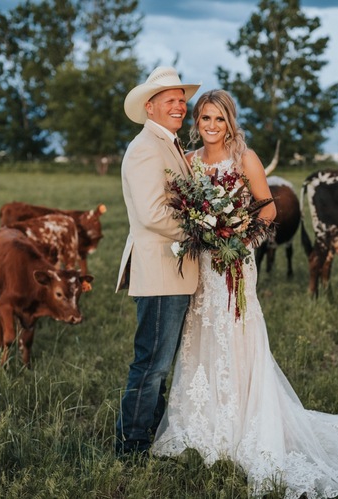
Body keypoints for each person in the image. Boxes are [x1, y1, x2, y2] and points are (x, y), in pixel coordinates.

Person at [151, 89, 338, 497]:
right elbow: (183, 209)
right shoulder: (189, 162)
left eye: (218, 120)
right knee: (201, 335)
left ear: (230, 123)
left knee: (235, 334)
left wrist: (238, 235)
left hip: (235, 262)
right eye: (205, 119)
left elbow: (267, 210)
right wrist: (203, 229)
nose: (211, 127)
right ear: (197, 123)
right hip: (203, 267)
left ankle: (245, 422)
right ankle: (201, 424)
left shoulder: (245, 158)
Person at [115, 66, 201, 456]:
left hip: (172, 271)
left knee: (158, 364)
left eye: (182, 100)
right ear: (150, 107)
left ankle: (149, 434)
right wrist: (202, 233)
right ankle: (130, 446)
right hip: (161, 271)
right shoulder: (146, 147)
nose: (180, 106)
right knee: (151, 365)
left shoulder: (168, 143)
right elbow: (152, 214)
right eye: (171, 100)